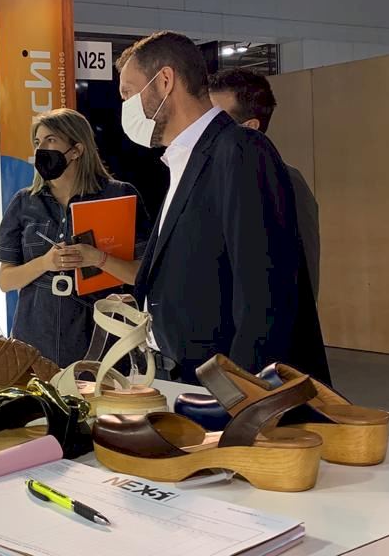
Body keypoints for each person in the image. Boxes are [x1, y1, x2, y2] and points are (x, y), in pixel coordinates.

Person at [117, 31, 329, 385]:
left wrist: (238, 396)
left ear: (165, 81)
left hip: (222, 387)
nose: (125, 105)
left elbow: (265, 295)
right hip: (181, 378)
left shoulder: (240, 149)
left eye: (128, 92)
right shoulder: (186, 161)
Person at [0, 108, 152, 368]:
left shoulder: (120, 196)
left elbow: (140, 275)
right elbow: (5, 281)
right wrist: (45, 263)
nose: (41, 149)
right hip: (35, 342)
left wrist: (97, 258)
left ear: (77, 149)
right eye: (37, 142)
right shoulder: (24, 202)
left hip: (101, 342)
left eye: (51, 140)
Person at [209, 68, 320, 300]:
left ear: (250, 127)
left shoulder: (286, 181)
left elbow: (301, 274)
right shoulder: (210, 179)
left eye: (216, 121)